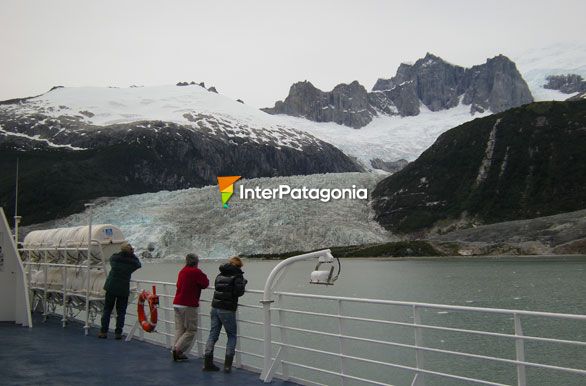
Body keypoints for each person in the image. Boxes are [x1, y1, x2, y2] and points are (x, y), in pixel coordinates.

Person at [203, 256, 247, 373]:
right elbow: (239, 292)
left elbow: (218, 287)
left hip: (215, 307)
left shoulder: (220, 274)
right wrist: (243, 283)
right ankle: (227, 366)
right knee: (231, 335)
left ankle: (207, 363)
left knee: (213, 334)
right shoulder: (237, 276)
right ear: (238, 266)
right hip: (227, 309)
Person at [99, 242, 141, 339]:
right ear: (130, 251)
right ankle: (118, 333)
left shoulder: (115, 258)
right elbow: (138, 264)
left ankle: (103, 332)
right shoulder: (132, 262)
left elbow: (111, 257)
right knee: (121, 312)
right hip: (123, 288)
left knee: (107, 310)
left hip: (111, 287)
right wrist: (132, 254)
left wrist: (124, 252)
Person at [171, 253, 209, 362]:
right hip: (188, 304)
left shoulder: (182, 271)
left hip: (177, 302)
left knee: (180, 329)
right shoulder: (195, 272)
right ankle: (177, 350)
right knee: (191, 330)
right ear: (196, 262)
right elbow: (205, 283)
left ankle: (175, 349)